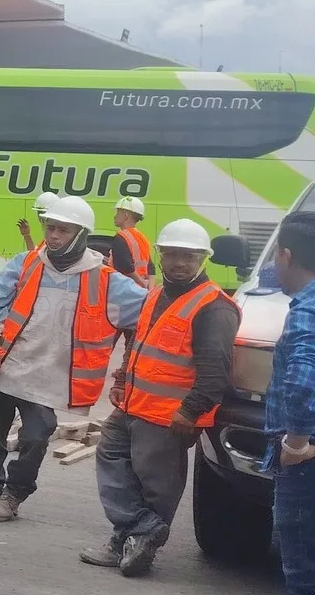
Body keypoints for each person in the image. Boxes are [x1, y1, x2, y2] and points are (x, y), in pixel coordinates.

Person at [0, 195, 146, 522]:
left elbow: (151, 311)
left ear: (81, 234)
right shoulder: (24, 263)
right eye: (51, 227)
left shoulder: (105, 280)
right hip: (4, 367)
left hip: (49, 378)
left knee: (35, 436)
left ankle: (14, 494)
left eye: (63, 230)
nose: (54, 235)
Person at [80, 218, 239, 577]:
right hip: (134, 405)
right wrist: (122, 378)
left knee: (155, 485)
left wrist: (190, 411)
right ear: (161, 255)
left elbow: (216, 371)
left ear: (202, 259)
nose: (179, 263)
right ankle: (140, 530)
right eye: (172, 254)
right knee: (111, 456)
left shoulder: (214, 307)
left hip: (170, 415)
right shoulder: (156, 294)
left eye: (189, 256)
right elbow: (138, 342)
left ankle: (133, 545)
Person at [262, 210, 315, 595]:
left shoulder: (312, 312)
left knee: (311, 575)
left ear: (287, 256)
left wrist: (296, 446)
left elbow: (304, 384)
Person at [108, 197, 154, 288]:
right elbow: (151, 267)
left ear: (126, 215)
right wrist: (149, 288)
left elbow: (126, 268)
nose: (115, 216)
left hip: (124, 287)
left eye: (118, 213)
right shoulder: (141, 237)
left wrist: (141, 283)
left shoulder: (121, 237)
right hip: (140, 289)